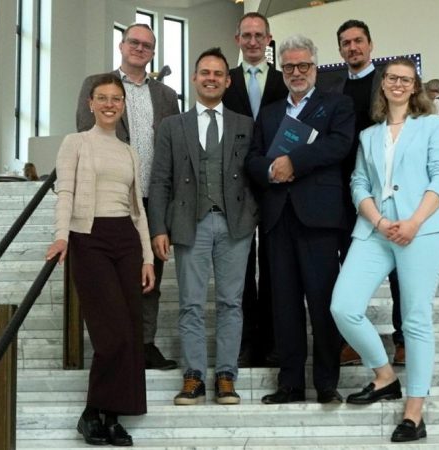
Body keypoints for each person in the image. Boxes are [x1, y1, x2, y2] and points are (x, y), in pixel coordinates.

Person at [330, 58, 439, 442]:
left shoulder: (431, 125)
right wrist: (379, 221)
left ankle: (414, 412)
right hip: (375, 229)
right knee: (343, 306)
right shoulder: (369, 135)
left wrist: (414, 221)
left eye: (406, 79)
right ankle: (384, 376)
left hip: (421, 229)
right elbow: (358, 183)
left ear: (414, 87)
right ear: (382, 84)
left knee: (415, 320)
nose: (398, 84)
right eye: (392, 78)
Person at [46, 73, 156, 447]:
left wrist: (147, 258)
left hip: (126, 239)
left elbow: (138, 210)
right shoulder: (76, 143)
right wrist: (62, 236)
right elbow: (65, 192)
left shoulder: (129, 152)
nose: (110, 104)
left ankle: (110, 418)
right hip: (88, 238)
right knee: (112, 333)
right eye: (103, 98)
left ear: (123, 106)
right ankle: (93, 412)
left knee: (130, 330)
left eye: (116, 99)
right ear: (90, 104)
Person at [245, 34, 354, 405]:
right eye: (289, 66)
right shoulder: (270, 112)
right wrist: (270, 171)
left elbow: (339, 145)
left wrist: (295, 161)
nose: (296, 72)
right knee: (284, 306)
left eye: (303, 65)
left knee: (323, 303)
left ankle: (326, 383)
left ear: (315, 67)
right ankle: (290, 383)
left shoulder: (336, 104)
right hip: (278, 219)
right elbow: (253, 158)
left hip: (319, 219)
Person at [148, 48, 257, 407]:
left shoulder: (245, 124)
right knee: (190, 303)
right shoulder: (172, 126)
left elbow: (254, 174)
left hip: (235, 224)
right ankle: (193, 375)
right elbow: (160, 180)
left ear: (228, 81)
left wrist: (253, 215)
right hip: (188, 223)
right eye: (205, 73)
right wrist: (158, 228)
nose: (211, 78)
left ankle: (226, 376)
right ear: (194, 78)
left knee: (231, 303)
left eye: (218, 74)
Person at [76, 23, 180, 371]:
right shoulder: (97, 85)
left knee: (151, 275)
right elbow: (85, 134)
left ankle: (145, 343)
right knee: (111, 279)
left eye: (146, 45)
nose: (139, 48)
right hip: (112, 199)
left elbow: (174, 147)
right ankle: (114, 343)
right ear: (121, 45)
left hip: (155, 196)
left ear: (153, 53)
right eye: (133, 42)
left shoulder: (166, 96)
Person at [320, 19, 405, 367]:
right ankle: (352, 341)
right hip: (344, 191)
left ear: (370, 45)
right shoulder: (332, 88)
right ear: (340, 50)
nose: (352, 47)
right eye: (346, 43)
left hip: (386, 187)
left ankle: (403, 339)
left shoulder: (388, 82)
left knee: (399, 266)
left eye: (358, 41)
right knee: (350, 266)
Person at [223, 12, 289, 368]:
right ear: (237, 39)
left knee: (276, 265)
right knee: (241, 269)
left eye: (258, 35)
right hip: (235, 187)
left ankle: (274, 341)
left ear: (268, 39)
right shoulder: (225, 80)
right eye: (246, 35)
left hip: (277, 185)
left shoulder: (284, 79)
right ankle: (247, 342)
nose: (252, 41)